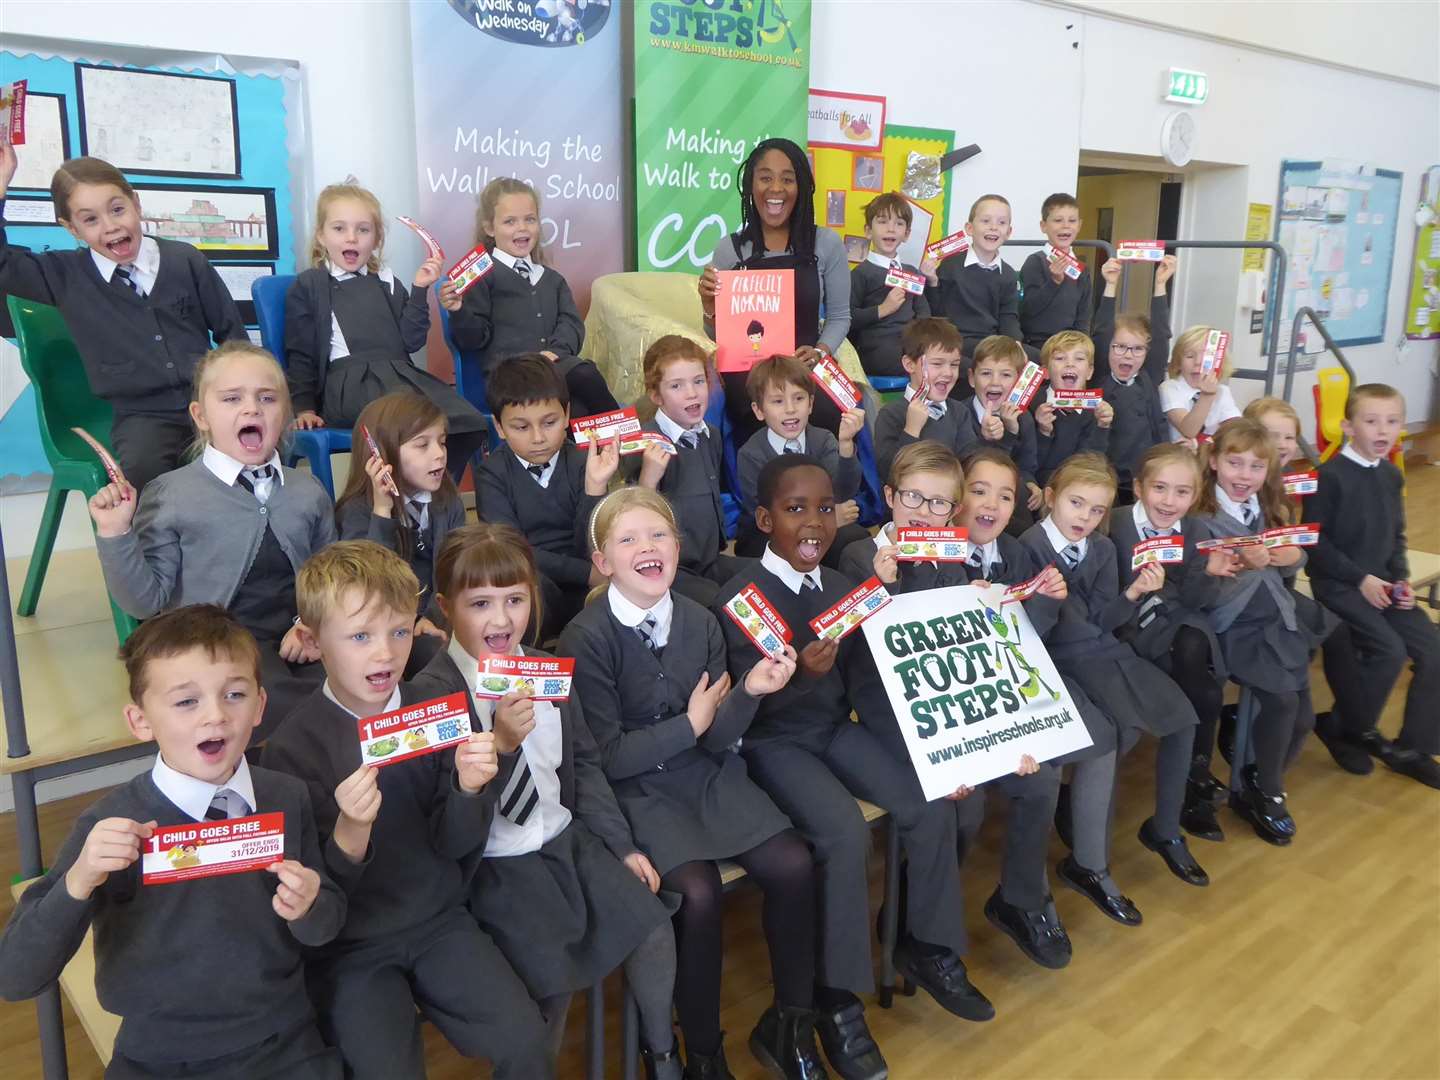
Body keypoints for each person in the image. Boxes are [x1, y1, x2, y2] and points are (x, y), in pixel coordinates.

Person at [714, 456, 990, 1080]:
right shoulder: (742, 595)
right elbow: (749, 709)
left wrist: (929, 757)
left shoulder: (844, 589)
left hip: (836, 731)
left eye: (823, 509)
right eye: (793, 510)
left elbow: (871, 691)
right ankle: (836, 1002)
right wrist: (801, 677)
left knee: (928, 800)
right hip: (773, 743)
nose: (812, 523)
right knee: (840, 833)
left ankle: (928, 945)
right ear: (763, 520)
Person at [0, 605, 346, 1079]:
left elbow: (326, 925)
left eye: (235, 694)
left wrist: (310, 906)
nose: (216, 716)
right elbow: (18, 976)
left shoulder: (287, 797)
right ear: (140, 721)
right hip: (158, 1059)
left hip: (281, 1042)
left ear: (261, 706)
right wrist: (78, 880)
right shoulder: (108, 825)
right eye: (186, 702)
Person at [560, 488, 824, 1080]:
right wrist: (690, 723)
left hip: (705, 776)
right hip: (638, 792)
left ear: (678, 548)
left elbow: (714, 737)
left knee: (793, 863)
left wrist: (751, 691)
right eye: (627, 540)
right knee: (698, 896)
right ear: (603, 562)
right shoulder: (588, 636)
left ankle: (791, 1022)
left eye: (658, 536)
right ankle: (703, 1050)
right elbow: (603, 757)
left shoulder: (702, 620)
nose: (647, 548)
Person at [263, 542, 552, 1079]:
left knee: (526, 1040)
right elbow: (317, 903)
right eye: (360, 636)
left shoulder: (439, 709)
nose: (385, 654)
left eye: (399, 632)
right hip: (352, 946)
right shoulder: (291, 749)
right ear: (312, 640)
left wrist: (470, 790)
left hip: (440, 921)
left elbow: (456, 844)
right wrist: (351, 831)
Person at [411, 524, 681, 1080]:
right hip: (493, 867)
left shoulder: (544, 668)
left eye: (515, 599)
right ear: (444, 608)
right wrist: (502, 747)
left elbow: (583, 763)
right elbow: (451, 835)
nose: (502, 620)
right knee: (551, 987)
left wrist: (621, 846)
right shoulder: (432, 695)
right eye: (480, 604)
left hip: (565, 841)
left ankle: (664, 1057)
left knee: (652, 927)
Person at [846, 445, 1076, 972]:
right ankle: (914, 927)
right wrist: (881, 587)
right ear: (889, 497)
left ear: (952, 513)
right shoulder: (861, 555)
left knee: (1038, 775)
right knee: (962, 804)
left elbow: (969, 655)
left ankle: (1012, 903)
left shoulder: (952, 556)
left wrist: (1014, 729)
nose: (924, 513)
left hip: (954, 710)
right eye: (912, 499)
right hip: (888, 714)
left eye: (938, 505)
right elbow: (862, 653)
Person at [88, 341, 334, 738]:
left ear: (285, 413)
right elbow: (145, 601)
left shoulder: (308, 490)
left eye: (267, 398)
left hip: (300, 635)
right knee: (287, 708)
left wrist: (315, 624)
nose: (251, 409)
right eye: (232, 398)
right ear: (201, 416)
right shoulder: (171, 494)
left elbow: (331, 578)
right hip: (218, 647)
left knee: (359, 682)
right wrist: (115, 532)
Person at [1019, 453, 1209, 916]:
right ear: (1050, 499)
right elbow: (1033, 632)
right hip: (1060, 662)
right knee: (1109, 737)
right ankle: (1091, 863)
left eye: (1097, 510)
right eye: (1076, 503)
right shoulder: (1028, 546)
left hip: (1105, 652)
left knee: (1182, 717)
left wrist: (1133, 594)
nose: (1084, 517)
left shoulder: (1102, 550)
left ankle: (1165, 828)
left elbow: (1106, 620)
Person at [0, 145, 248, 491]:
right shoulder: (64, 274)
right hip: (143, 416)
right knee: (147, 474)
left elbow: (232, 334)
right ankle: (156, 545)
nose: (111, 226)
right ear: (71, 228)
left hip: (209, 402)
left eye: (118, 209)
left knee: (252, 458)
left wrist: (243, 396)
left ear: (136, 203)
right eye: (90, 219)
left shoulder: (183, 260)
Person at [284, 181, 488, 482]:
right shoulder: (311, 284)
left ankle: (429, 494)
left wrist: (420, 289)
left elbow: (411, 341)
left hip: (399, 376)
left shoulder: (387, 282)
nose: (351, 237)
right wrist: (303, 407)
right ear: (321, 236)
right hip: (351, 385)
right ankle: (399, 501)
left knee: (467, 420)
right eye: (340, 228)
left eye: (363, 230)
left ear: (377, 238)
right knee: (411, 424)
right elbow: (300, 351)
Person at [1193, 419, 1334, 844]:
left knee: (1302, 716)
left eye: (1256, 467)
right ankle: (1267, 791)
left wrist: (1284, 557)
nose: (1244, 476)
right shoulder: (1202, 517)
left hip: (1277, 619)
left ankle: (1256, 774)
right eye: (1235, 464)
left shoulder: (1267, 507)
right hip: (1238, 628)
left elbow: (1292, 560)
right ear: (1214, 462)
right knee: (1284, 704)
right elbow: (1204, 590)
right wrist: (1246, 565)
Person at [1306, 385, 1440, 788]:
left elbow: (1396, 536)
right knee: (1388, 651)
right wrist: (1359, 579)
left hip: (1384, 586)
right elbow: (1314, 542)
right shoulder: (1326, 476)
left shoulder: (1390, 473)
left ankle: (1412, 748)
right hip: (1339, 586)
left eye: (1392, 421)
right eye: (1371, 421)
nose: (1383, 430)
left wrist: (1399, 578)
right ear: (1347, 426)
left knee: (1434, 651)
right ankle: (1349, 727)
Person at [1109, 444, 1235, 841]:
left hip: (1180, 627)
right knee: (1202, 684)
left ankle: (1193, 776)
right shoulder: (1115, 525)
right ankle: (1195, 778)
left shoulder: (1196, 529)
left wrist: (1207, 572)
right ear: (1139, 488)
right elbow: (1111, 591)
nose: (1169, 501)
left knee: (1193, 648)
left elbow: (1198, 600)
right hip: (1131, 626)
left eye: (1182, 492)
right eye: (1160, 489)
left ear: (1195, 495)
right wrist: (1153, 594)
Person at [698, 137, 852, 441]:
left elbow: (840, 317)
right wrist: (709, 306)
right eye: (765, 178)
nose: (776, 189)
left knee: (840, 413)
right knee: (758, 414)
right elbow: (721, 336)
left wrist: (821, 352)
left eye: (788, 179)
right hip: (750, 378)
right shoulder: (730, 250)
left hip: (807, 371)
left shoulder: (827, 244)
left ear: (803, 187)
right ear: (750, 186)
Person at [444, 177, 618, 419]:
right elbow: (472, 339)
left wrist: (555, 352)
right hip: (510, 378)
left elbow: (571, 325)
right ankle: (626, 440)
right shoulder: (481, 276)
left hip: (554, 371)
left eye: (530, 219)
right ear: (489, 228)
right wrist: (458, 311)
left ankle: (609, 454)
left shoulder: (552, 279)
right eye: (510, 221)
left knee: (577, 411)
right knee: (585, 374)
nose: (522, 228)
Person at [476, 353, 615, 639]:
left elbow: (589, 544)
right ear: (499, 427)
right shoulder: (491, 474)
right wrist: (586, 574)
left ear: (566, 415)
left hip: (589, 575)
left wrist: (594, 489)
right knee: (525, 594)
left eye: (549, 422)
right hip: (532, 580)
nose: (538, 437)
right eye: (522, 427)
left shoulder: (583, 461)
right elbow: (511, 550)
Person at [334, 392, 466, 673]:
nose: (439, 454)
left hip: (440, 614)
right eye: (422, 445)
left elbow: (454, 569)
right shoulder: (357, 511)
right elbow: (368, 582)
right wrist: (382, 512)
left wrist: (434, 617)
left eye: (441, 442)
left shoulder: (448, 500)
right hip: (390, 625)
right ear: (381, 455)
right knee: (435, 656)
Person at [627, 335, 737, 607]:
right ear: (656, 395)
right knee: (723, 604)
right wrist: (649, 477)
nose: (692, 393)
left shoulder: (710, 435)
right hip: (670, 570)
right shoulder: (643, 442)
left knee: (764, 581)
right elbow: (630, 518)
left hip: (710, 559)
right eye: (677, 386)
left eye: (699, 381)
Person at [736, 354, 868, 563]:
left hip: (819, 529)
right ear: (759, 410)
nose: (790, 409)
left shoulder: (823, 440)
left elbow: (842, 493)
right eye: (778, 401)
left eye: (799, 398)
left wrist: (845, 445)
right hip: (767, 534)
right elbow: (765, 517)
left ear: (811, 404)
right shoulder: (752, 454)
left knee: (854, 540)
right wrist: (829, 519)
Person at [1091, 255, 1178, 504]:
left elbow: (1160, 336)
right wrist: (1110, 285)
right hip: (1109, 477)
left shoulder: (1147, 378)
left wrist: (1160, 284)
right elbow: (1102, 332)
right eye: (1119, 347)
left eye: (1137, 349)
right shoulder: (1101, 377)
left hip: (1144, 476)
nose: (1127, 355)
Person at [923, 193, 1033, 373]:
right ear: (970, 228)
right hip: (957, 342)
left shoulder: (1008, 274)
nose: (993, 227)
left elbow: (1008, 316)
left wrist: (1015, 343)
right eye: (986, 221)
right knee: (984, 367)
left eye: (1001, 223)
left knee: (1040, 360)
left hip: (992, 343)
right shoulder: (950, 266)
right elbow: (937, 312)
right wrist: (933, 281)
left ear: (1009, 232)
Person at [847, 192, 935, 378]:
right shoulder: (860, 274)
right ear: (868, 231)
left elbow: (923, 313)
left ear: (906, 234)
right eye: (883, 221)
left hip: (911, 344)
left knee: (941, 357)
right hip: (879, 349)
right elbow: (848, 318)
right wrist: (882, 309)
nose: (891, 229)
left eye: (899, 223)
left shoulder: (912, 272)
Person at [873, 317, 972, 480]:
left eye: (954, 365)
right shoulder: (891, 414)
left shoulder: (960, 413)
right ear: (909, 364)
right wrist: (911, 430)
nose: (948, 373)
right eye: (937, 364)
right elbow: (888, 473)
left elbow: (970, 466)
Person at [965, 334, 1043, 533]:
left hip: (1009, 499)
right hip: (972, 498)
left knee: (1025, 499)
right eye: (986, 374)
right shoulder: (961, 414)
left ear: (1018, 382)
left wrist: (1031, 483)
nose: (995, 382)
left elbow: (1026, 465)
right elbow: (971, 467)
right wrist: (997, 436)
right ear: (972, 378)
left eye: (1006, 375)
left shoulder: (1023, 418)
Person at [1028, 330, 1113, 488]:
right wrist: (1044, 432)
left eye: (1079, 358)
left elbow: (1092, 463)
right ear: (1045, 371)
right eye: (1060, 358)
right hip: (1042, 484)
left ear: (1089, 372)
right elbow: (1031, 465)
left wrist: (1102, 427)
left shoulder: (1097, 409)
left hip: (1082, 482)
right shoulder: (1033, 404)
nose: (1070, 364)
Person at [1019, 193, 1093, 349]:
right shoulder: (1035, 262)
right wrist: (1054, 282)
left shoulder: (1082, 269)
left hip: (1070, 346)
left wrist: (1082, 346)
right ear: (1043, 226)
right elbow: (1028, 309)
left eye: (1072, 221)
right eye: (1058, 220)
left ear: (1079, 225)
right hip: (1037, 344)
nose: (1065, 226)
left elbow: (1084, 315)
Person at [1160, 326, 1242, 443]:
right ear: (1178, 363)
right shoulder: (1170, 388)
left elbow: (1235, 428)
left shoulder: (1223, 391)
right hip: (1179, 456)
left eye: (1206, 357)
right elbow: (1188, 431)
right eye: (1189, 356)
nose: (1198, 362)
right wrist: (1206, 396)